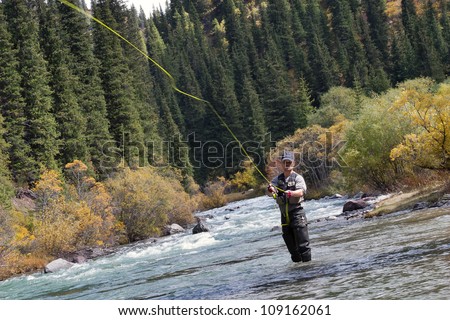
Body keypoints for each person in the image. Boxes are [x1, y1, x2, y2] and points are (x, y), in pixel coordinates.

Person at [267, 151, 311, 263]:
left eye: (289, 162)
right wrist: (271, 190)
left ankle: (309, 270)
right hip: (284, 216)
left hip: (297, 213)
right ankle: (297, 274)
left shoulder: (298, 178)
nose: (287, 164)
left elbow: (301, 192)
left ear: (293, 163)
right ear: (281, 164)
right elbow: (270, 193)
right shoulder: (277, 180)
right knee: (293, 250)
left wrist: (291, 193)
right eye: (285, 162)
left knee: (303, 246)